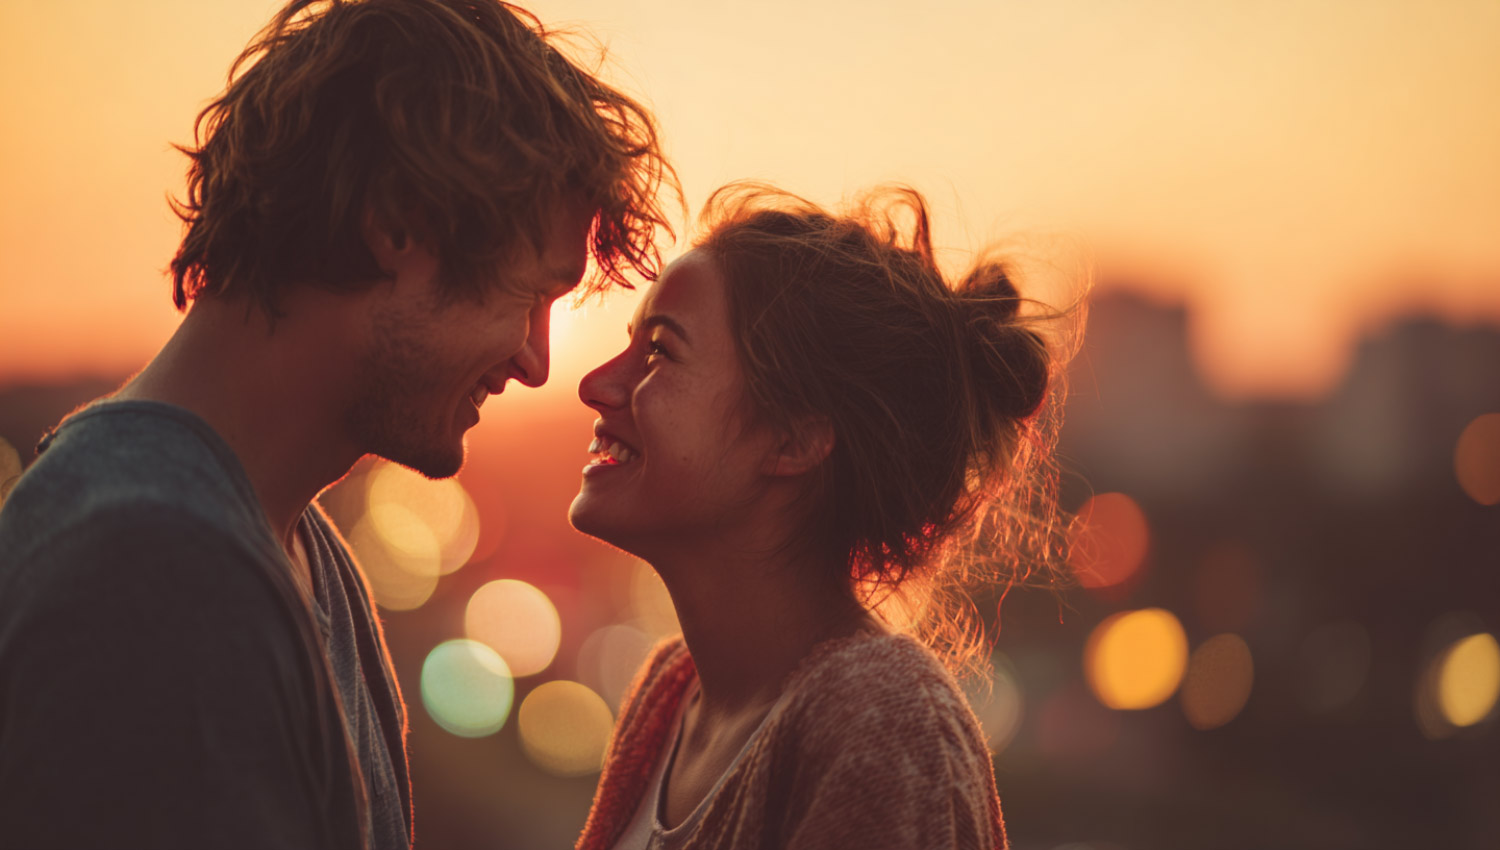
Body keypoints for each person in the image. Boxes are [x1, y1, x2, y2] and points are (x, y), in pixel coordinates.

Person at [0, 1, 674, 847]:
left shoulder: (298, 552)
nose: (536, 361)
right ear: (397, 226)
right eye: (531, 294)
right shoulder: (156, 569)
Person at [568, 183, 1075, 850]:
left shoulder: (883, 719)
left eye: (660, 350)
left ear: (794, 439)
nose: (596, 383)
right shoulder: (671, 698)